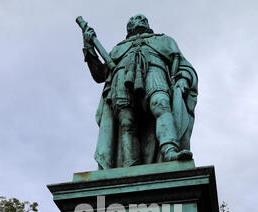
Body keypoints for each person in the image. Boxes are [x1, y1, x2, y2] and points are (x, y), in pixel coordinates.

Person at [82, 14, 198, 169]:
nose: (140, 20)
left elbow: (184, 66)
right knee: (126, 121)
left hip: (155, 72)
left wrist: (183, 78)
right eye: (135, 19)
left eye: (143, 18)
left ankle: (170, 151)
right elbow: (99, 74)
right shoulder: (118, 48)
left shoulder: (163, 40)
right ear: (128, 27)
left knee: (161, 103)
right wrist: (89, 46)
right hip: (121, 78)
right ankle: (130, 164)